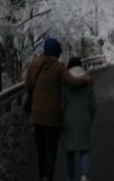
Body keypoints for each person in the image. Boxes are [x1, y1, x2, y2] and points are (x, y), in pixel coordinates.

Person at [24, 37, 92, 181]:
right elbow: (72, 82)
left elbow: (28, 85)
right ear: (56, 51)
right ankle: (49, 175)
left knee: (41, 148)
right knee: (51, 149)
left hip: (37, 115)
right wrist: (86, 79)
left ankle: (42, 174)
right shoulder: (59, 66)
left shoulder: (34, 64)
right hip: (53, 116)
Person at [60, 55, 97, 181]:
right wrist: (90, 118)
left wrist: (61, 119)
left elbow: (62, 104)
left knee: (69, 152)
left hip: (68, 121)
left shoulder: (65, 84)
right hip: (84, 119)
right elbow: (93, 105)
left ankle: (71, 178)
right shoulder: (87, 82)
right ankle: (85, 175)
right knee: (84, 149)